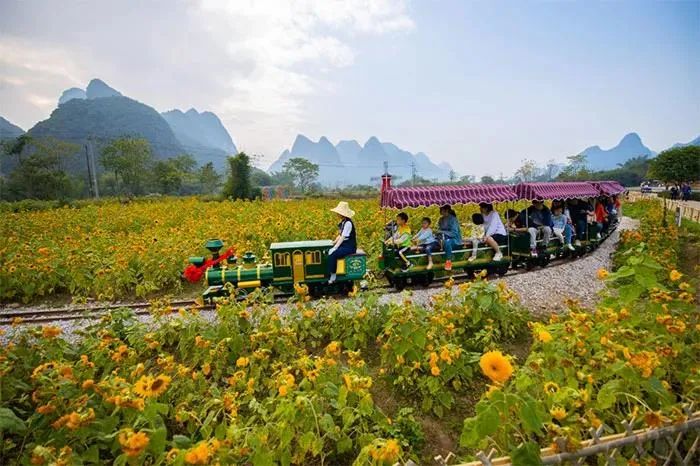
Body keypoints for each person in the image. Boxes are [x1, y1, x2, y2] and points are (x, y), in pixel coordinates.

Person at [327, 201, 358, 284]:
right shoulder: (343, 222)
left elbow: (343, 237)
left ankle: (333, 275)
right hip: (344, 245)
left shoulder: (348, 223)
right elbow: (340, 235)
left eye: (338, 213)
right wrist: (333, 242)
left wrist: (335, 248)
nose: (337, 214)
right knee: (329, 251)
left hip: (349, 247)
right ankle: (329, 271)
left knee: (334, 254)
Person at [438, 204, 462, 271]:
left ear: (446, 210)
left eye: (441, 209)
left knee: (447, 242)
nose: (440, 211)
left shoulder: (453, 219)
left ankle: (448, 261)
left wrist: (442, 232)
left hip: (454, 239)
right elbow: (440, 230)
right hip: (443, 238)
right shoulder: (441, 219)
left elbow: (454, 233)